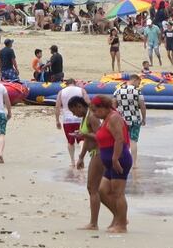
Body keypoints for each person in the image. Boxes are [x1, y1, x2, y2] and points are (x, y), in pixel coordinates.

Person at [90, 95, 132, 233]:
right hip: (110, 162)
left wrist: (114, 159)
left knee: (118, 193)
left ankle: (122, 225)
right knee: (102, 191)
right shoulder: (106, 118)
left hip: (119, 160)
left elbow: (119, 139)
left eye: (95, 110)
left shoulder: (114, 118)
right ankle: (120, 217)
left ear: (103, 107)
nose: (94, 114)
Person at [67, 95, 103, 230]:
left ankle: (94, 223)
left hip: (100, 153)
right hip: (94, 153)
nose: (74, 114)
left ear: (79, 106)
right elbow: (87, 139)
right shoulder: (85, 117)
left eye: (73, 111)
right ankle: (119, 216)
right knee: (99, 190)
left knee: (93, 188)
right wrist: (81, 156)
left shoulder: (92, 117)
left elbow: (100, 136)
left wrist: (83, 135)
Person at [113, 74, 147, 167]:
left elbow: (113, 105)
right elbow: (142, 106)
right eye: (138, 83)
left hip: (121, 121)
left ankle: (123, 161)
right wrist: (144, 118)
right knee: (133, 141)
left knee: (122, 141)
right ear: (134, 80)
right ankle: (134, 163)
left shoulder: (118, 91)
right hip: (135, 119)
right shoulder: (137, 91)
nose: (138, 85)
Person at [55, 78, 89, 166]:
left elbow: (57, 106)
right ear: (74, 83)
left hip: (67, 120)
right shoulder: (81, 90)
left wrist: (57, 120)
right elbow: (88, 102)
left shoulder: (61, 92)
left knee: (70, 141)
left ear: (66, 84)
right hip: (79, 118)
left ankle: (72, 161)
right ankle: (81, 157)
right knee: (81, 139)